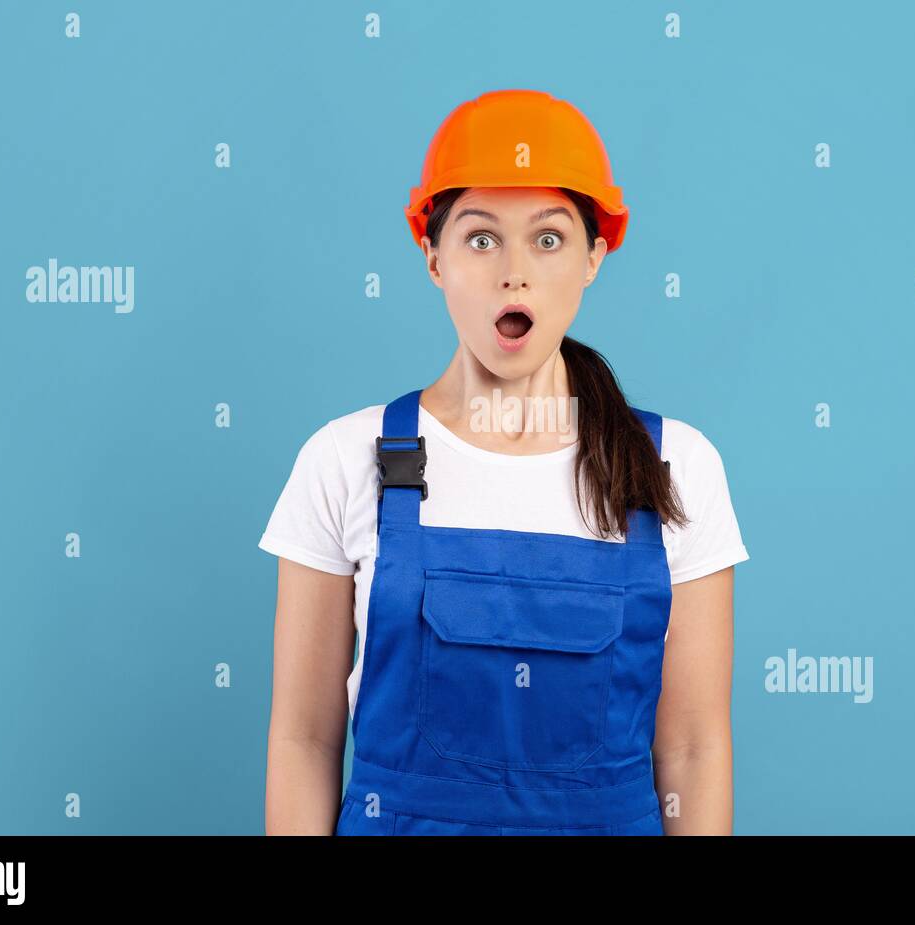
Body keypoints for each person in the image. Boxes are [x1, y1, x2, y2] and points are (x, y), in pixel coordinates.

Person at [260, 89, 749, 835]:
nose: (513, 272)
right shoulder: (345, 459)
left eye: (548, 239)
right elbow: (304, 739)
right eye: (480, 238)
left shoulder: (675, 466)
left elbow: (691, 750)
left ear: (594, 256)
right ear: (433, 256)